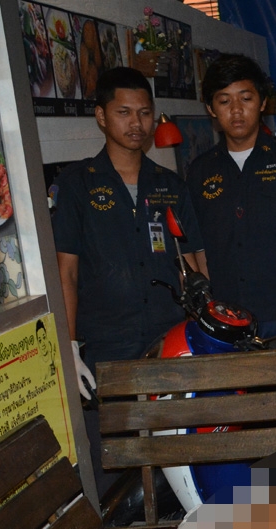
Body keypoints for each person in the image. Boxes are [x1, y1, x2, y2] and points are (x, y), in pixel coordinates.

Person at [53, 66, 206, 492]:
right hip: (106, 346)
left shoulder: (170, 185)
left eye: (144, 113)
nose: (136, 123)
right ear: (101, 116)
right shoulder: (77, 184)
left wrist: (204, 330)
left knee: (178, 456)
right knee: (113, 464)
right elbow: (66, 270)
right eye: (124, 112)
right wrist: (69, 346)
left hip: (168, 341)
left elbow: (195, 262)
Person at [186, 54, 276, 347]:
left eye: (246, 98)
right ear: (211, 109)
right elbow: (200, 253)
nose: (236, 110)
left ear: (262, 102)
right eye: (224, 101)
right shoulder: (199, 171)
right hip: (226, 323)